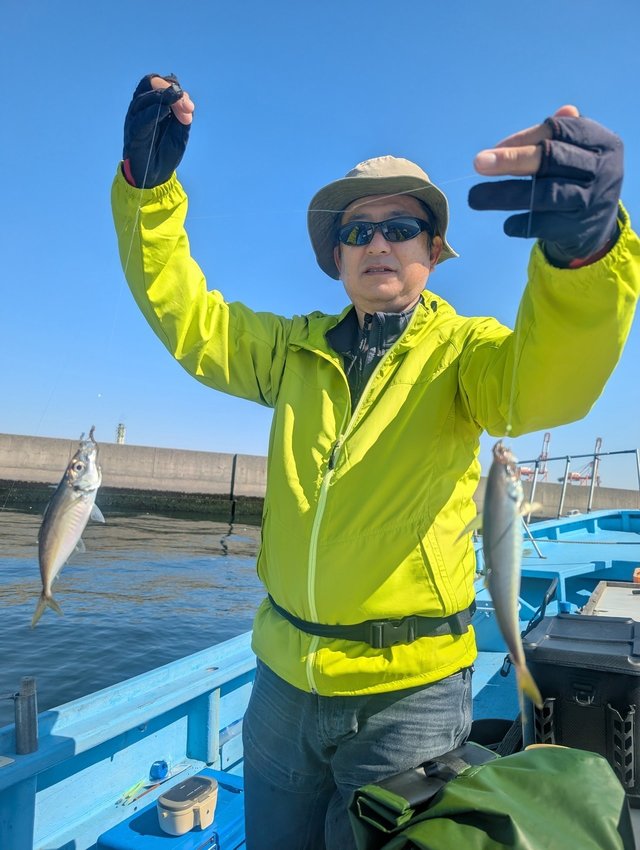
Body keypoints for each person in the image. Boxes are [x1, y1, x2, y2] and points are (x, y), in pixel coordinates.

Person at [111, 75, 640, 850]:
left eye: (400, 226)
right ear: (337, 257)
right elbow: (188, 318)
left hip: (410, 699)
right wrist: (146, 194)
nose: (378, 243)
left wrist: (584, 255)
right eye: (358, 231)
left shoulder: (465, 355)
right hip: (281, 686)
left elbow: (547, 382)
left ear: (433, 250)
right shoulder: (290, 351)